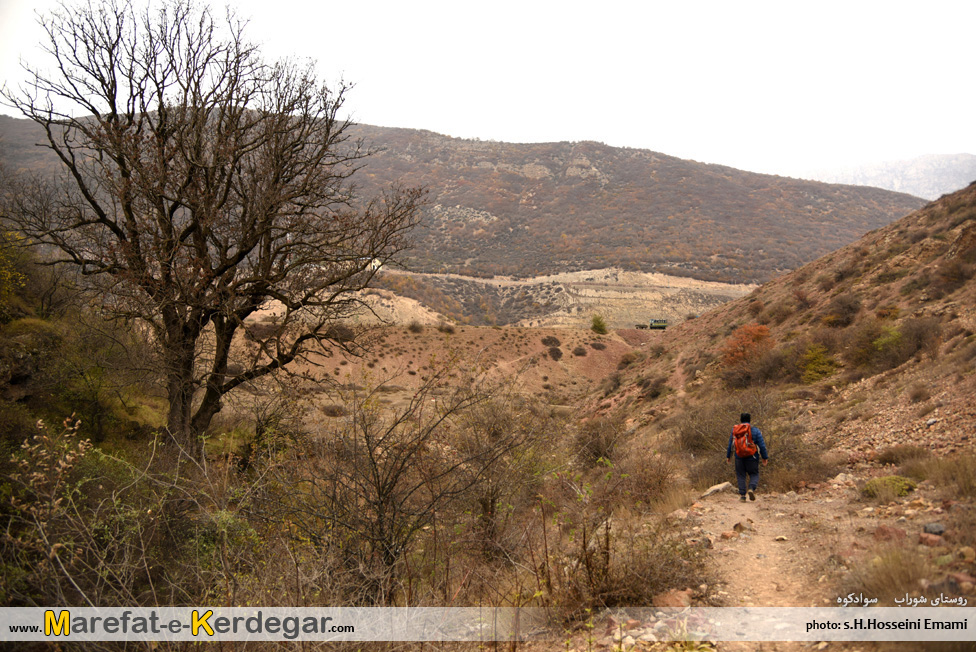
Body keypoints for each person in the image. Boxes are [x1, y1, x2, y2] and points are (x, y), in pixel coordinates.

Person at [726, 413, 769, 501]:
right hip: (752, 456)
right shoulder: (755, 430)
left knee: (741, 475)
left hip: (739, 456)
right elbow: (762, 445)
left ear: (740, 420)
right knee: (754, 473)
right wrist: (764, 457)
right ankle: (751, 488)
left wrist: (728, 456)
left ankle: (742, 496)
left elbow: (731, 444)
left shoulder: (735, 430)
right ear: (750, 420)